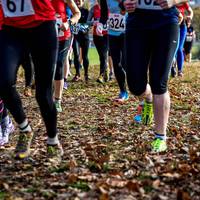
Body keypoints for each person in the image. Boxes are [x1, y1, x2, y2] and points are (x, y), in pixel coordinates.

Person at [121, 0, 189, 152]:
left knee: (159, 82)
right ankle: (148, 97)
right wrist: (123, 2)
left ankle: (160, 137)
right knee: (135, 86)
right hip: (137, 23)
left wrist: (174, 1)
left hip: (166, 23)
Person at [0, 0, 63, 162]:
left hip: (42, 26)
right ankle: (24, 129)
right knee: (3, 82)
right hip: (11, 29)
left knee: (43, 94)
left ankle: (52, 140)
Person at [52, 0, 81, 113]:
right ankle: (48, 96)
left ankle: (57, 100)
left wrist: (68, 22)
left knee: (59, 64)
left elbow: (77, 13)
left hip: (63, 36)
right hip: (46, 37)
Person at [87, 0, 109, 83]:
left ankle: (101, 75)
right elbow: (87, 21)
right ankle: (106, 71)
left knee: (103, 55)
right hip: (96, 35)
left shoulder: (109, 7)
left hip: (107, 35)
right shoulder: (93, 8)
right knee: (101, 55)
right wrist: (95, 22)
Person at [71, 0, 90, 83]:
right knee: (76, 55)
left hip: (85, 37)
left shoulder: (86, 11)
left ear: (82, 2)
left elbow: (88, 24)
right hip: (75, 37)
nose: (77, 2)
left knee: (85, 56)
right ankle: (77, 74)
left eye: (79, 1)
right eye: (76, 1)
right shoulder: (72, 11)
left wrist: (78, 26)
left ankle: (86, 74)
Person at [175, 2, 193, 76]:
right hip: (172, 26)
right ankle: (172, 67)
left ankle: (180, 70)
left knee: (179, 48)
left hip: (182, 26)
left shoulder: (184, 2)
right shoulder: (170, 2)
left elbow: (190, 11)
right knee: (173, 48)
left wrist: (190, 17)